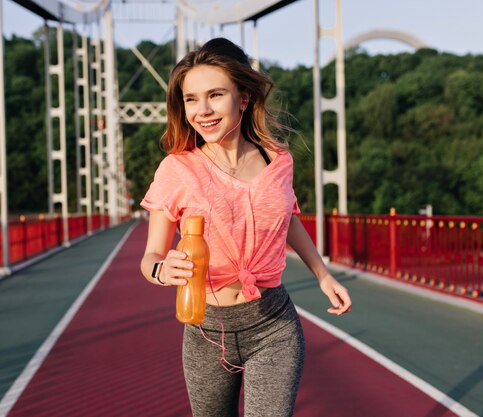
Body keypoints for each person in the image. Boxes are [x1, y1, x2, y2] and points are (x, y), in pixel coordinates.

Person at [139, 38, 351, 417]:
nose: (202, 111)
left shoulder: (277, 159)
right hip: (206, 330)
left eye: (215, 95)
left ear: (244, 97)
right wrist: (160, 269)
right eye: (191, 99)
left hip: (273, 325)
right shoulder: (177, 170)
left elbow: (286, 220)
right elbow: (151, 256)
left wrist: (323, 275)